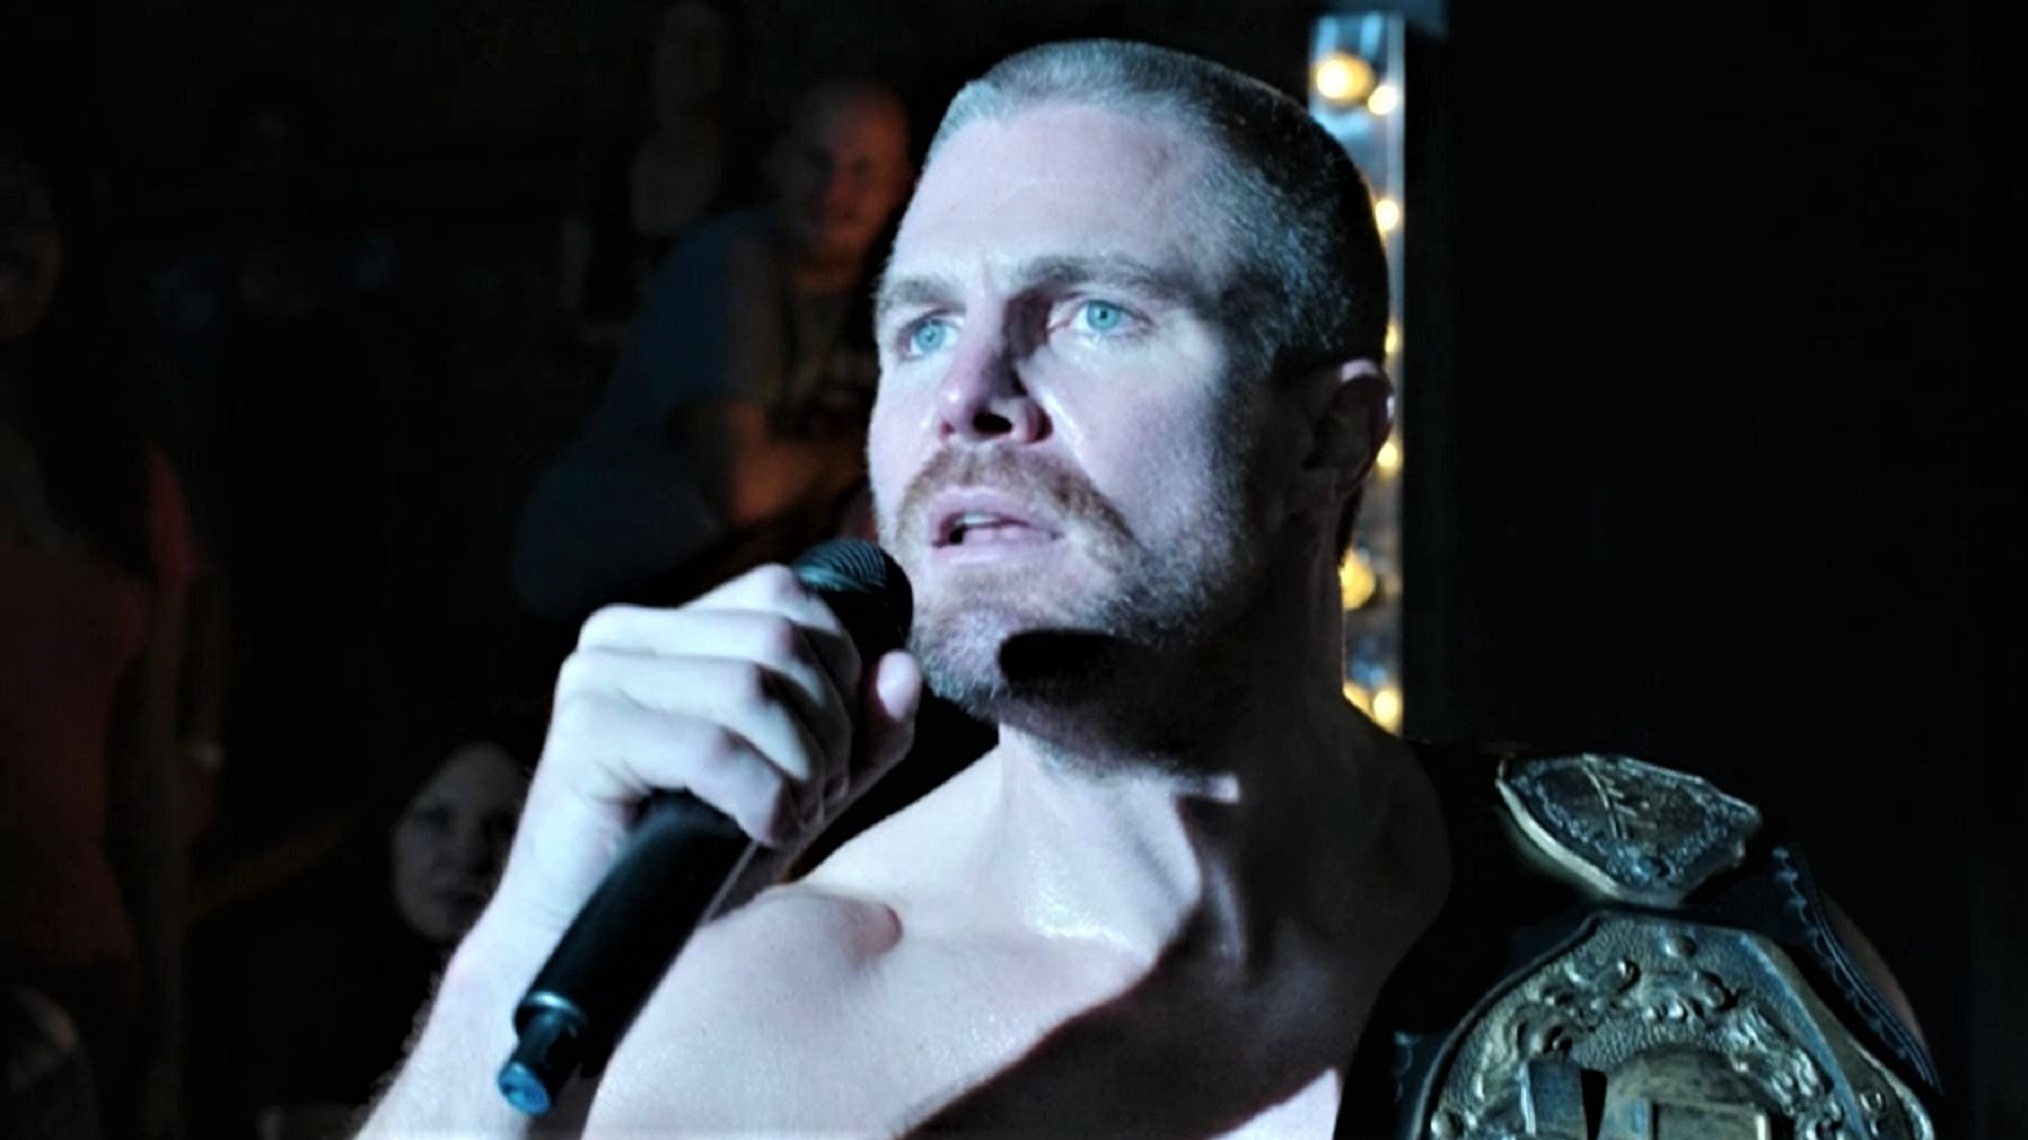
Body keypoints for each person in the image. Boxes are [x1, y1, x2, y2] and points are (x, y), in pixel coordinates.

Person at [363, 41, 1944, 1136]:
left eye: (1094, 315)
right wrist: (520, 959)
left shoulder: (1674, 937)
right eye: (920, 329)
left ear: (1332, 438)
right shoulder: (759, 1035)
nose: (968, 398)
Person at [509, 76, 914, 632]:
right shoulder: (729, 267)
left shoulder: (895, 289)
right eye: (816, 161)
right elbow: (741, 490)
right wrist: (858, 454)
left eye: (862, 171)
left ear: (903, 187)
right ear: (777, 161)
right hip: (594, 600)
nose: (834, 190)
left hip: (710, 594)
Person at [3, 139, 199, 1140]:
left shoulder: (125, 480)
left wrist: (166, 1028)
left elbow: (146, 773)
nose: (10, 238)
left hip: (85, 963)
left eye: (30, 212)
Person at [182, 731, 529, 1140]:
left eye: (502, 827)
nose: (468, 853)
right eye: (435, 820)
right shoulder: (304, 972)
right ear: (391, 830)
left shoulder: (528, 986)